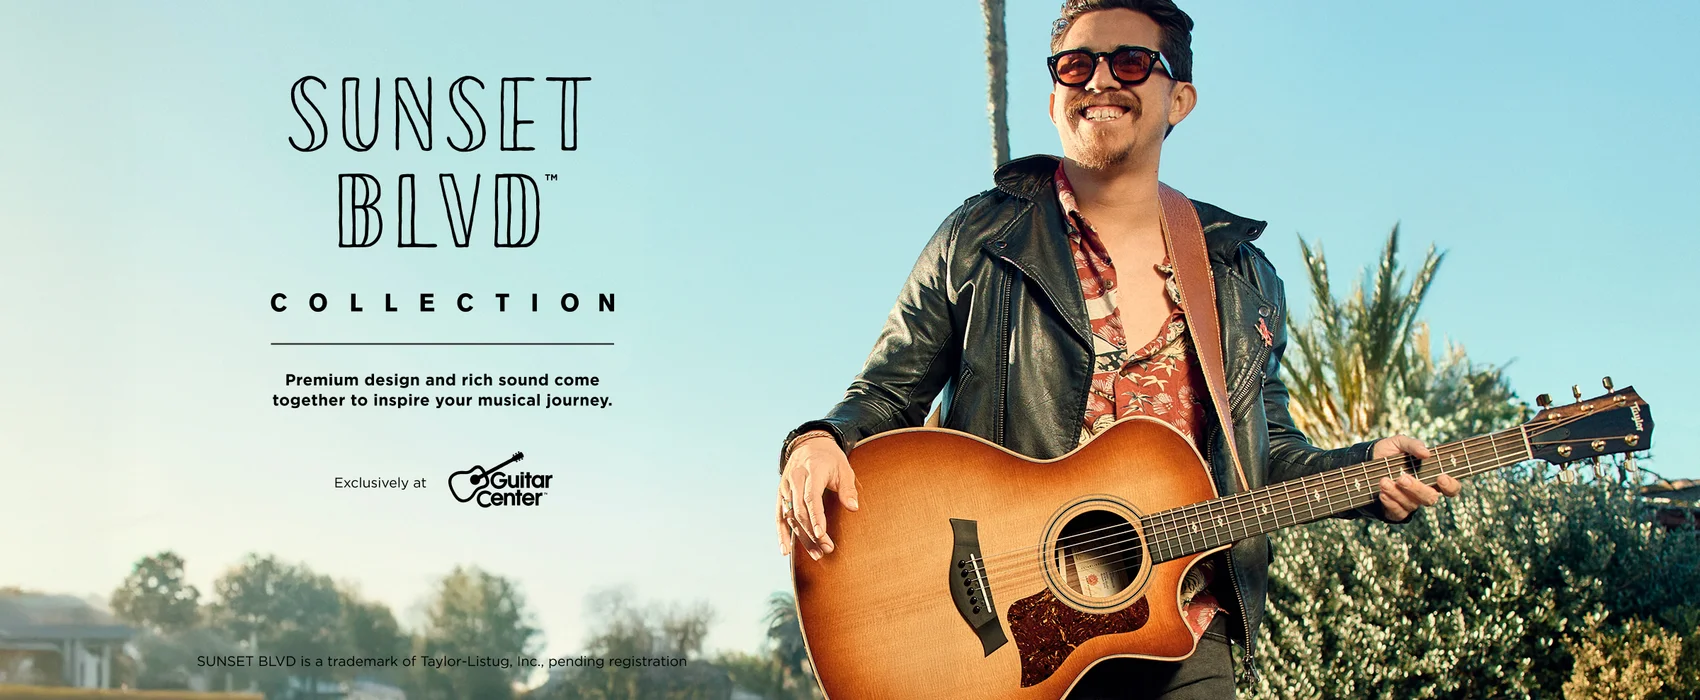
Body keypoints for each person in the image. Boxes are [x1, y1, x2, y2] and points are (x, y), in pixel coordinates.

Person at [774, 1, 1461, 697]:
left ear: (1179, 99)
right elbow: (888, 389)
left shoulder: (1241, 278)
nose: (1099, 81)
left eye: (1130, 61)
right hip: (1005, 645)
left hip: (1180, 633)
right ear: (1053, 98)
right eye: (1077, 65)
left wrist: (1360, 474)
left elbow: (1263, 453)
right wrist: (819, 439)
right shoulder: (981, 237)